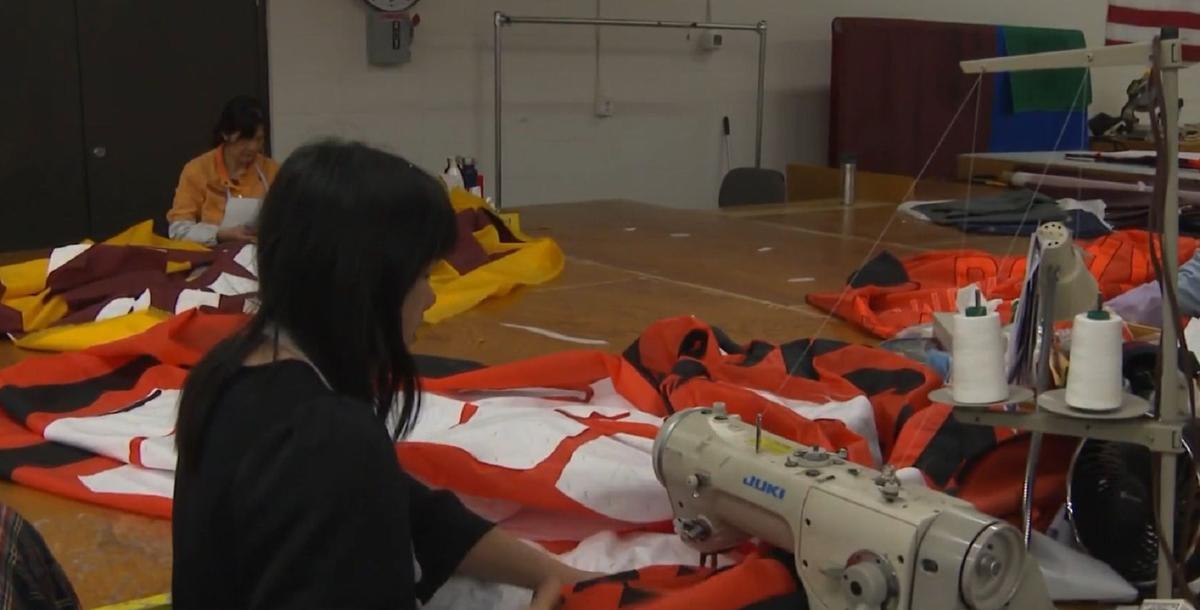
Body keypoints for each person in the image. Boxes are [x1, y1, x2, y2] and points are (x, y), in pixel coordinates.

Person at [171, 140, 593, 609]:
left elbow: (417, 514)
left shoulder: (228, 371)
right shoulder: (328, 436)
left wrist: (564, 578)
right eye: (424, 276)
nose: (431, 299)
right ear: (369, 282)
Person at [167, 95, 279, 245]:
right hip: (209, 254)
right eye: (245, 139)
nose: (253, 147)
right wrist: (219, 235)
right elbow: (179, 231)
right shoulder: (197, 170)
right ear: (226, 134)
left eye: (259, 139)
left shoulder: (272, 170)